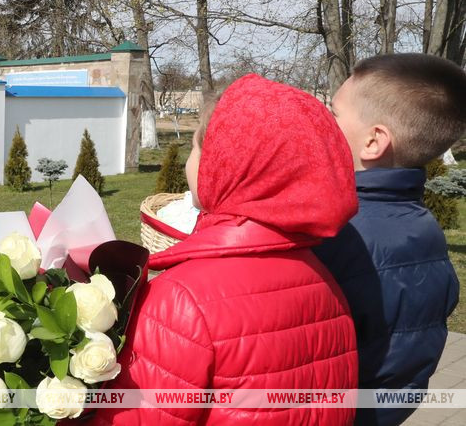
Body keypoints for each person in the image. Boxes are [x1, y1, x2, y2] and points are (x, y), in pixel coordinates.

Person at [91, 74, 359, 425]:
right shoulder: (321, 279)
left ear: (228, 166)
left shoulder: (180, 299)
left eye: (196, 148)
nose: (190, 160)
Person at [314, 54, 466, 426]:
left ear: (373, 141)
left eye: (333, 114)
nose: (323, 123)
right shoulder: (421, 223)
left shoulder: (338, 232)